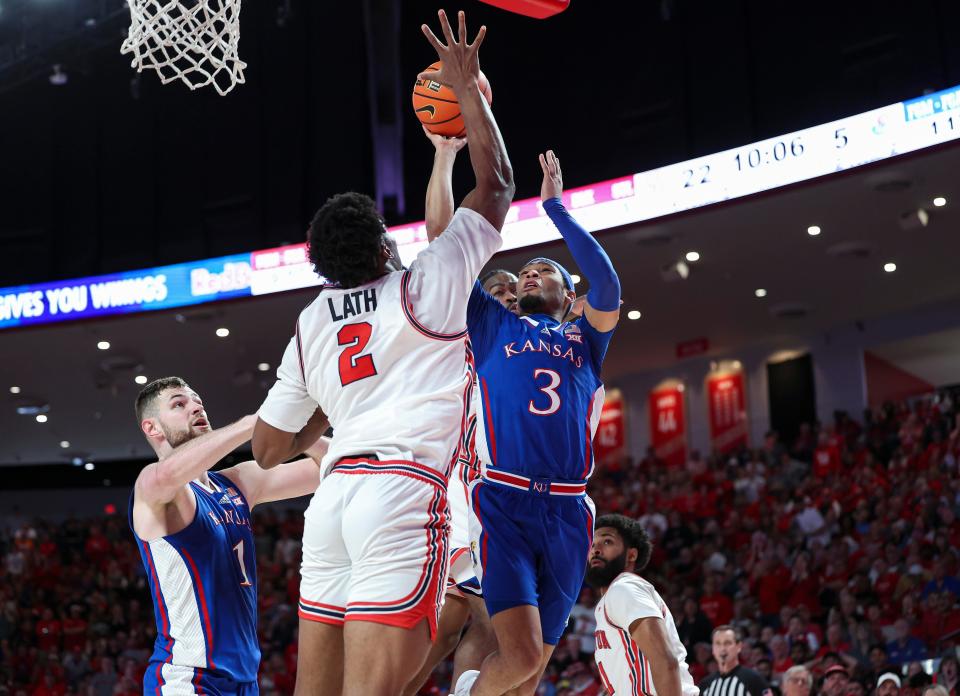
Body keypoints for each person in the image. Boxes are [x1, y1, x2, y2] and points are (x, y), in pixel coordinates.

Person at [251, 9, 515, 696]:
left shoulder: (311, 321)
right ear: (380, 248)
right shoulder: (425, 285)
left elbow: (268, 449)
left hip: (332, 502)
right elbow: (498, 189)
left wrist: (330, 414)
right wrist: (466, 94)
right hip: (402, 494)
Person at [454, 149, 622, 696]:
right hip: (504, 500)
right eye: (524, 270)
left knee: (529, 674)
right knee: (520, 654)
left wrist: (556, 208)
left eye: (544, 270)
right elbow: (448, 253)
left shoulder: (586, 338)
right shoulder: (493, 324)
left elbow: (609, 286)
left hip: (569, 510)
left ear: (568, 296)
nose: (529, 273)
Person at [130, 376, 327, 695]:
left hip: (244, 681)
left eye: (197, 401)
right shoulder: (152, 489)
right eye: (179, 404)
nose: (194, 406)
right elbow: (168, 474)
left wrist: (309, 421)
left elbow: (329, 469)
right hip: (190, 679)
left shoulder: (238, 482)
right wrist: (255, 423)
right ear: (152, 428)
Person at [403, 129, 514, 696]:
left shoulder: (540, 342)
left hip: (505, 492)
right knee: (463, 624)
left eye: (518, 290)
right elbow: (442, 239)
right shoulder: (471, 323)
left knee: (476, 625)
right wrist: (445, 157)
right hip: (458, 482)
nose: (510, 294)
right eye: (500, 287)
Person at [586, 514, 699, 696]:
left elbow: (665, 661)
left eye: (607, 542)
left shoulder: (624, 588)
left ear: (631, 555)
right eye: (592, 544)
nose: (596, 549)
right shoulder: (611, 598)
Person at [699, 626, 772, 696]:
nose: (722, 649)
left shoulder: (754, 679)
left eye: (727, 643)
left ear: (739, 647)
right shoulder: (705, 684)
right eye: (718, 644)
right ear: (713, 649)